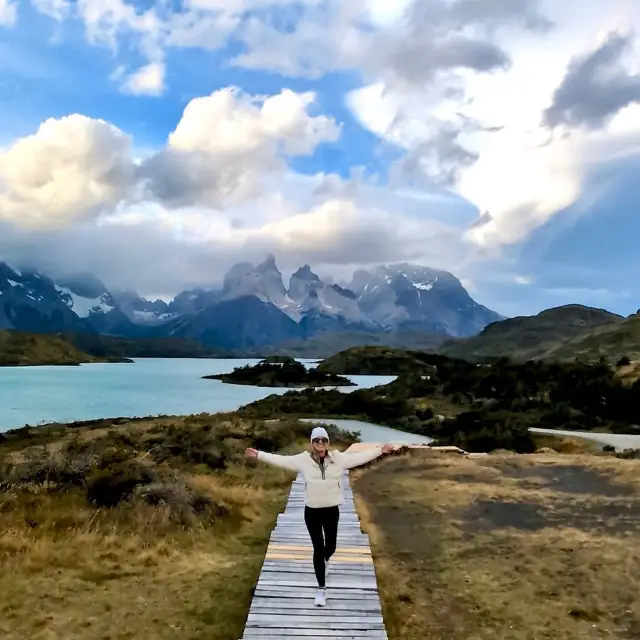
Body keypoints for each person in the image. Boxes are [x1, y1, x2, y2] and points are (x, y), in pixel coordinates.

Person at [245, 426, 393, 607]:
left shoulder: (338, 459)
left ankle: (325, 560)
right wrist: (259, 454)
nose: (320, 443)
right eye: (317, 441)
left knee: (330, 546)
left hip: (332, 511)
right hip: (312, 512)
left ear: (328, 443)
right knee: (317, 547)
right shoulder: (303, 460)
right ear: (312, 443)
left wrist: (380, 450)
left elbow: (358, 458)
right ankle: (321, 589)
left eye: (323, 440)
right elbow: (281, 460)